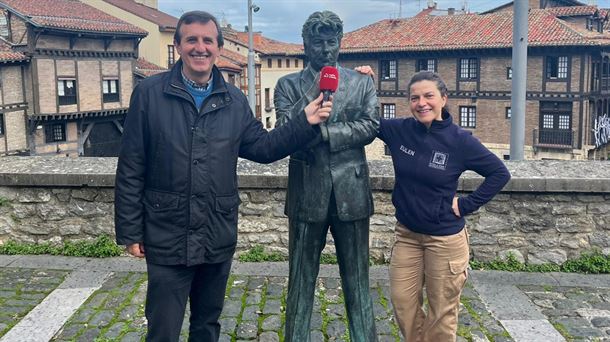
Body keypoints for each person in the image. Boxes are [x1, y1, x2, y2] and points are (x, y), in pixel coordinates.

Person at [114, 10, 332, 342]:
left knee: (207, 325)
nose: (199, 48)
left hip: (216, 232)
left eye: (207, 41)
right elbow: (131, 166)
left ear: (217, 47)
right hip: (166, 232)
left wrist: (304, 121)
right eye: (191, 40)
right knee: (163, 328)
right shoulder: (149, 94)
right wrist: (131, 230)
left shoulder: (233, 100)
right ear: (178, 46)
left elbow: (263, 147)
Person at [377, 71, 511, 341]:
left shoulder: (460, 141)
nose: (421, 103)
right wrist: (365, 83)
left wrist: (465, 205)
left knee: (442, 312)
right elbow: (365, 119)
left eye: (428, 96)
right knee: (403, 302)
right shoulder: (400, 130)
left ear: (443, 99)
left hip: (445, 239)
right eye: (414, 98)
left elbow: (499, 174)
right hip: (407, 236)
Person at [274, 10, 379, 342]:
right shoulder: (287, 85)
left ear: (340, 43)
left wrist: (326, 133)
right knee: (300, 281)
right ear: (305, 44)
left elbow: (370, 126)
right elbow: (284, 128)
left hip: (352, 191)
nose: (324, 48)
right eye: (317, 42)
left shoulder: (362, 82)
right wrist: (314, 107)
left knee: (358, 281)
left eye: (330, 41)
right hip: (306, 192)